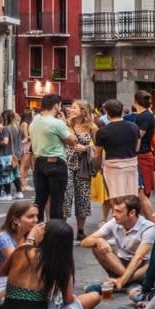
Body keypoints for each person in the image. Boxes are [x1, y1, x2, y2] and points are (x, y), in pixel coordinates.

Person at [0, 219, 102, 309]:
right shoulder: (60, 263)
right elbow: (68, 299)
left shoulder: (23, 251)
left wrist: (30, 239)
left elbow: (2, 272)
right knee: (94, 296)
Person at [82, 195, 155, 288]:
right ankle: (126, 282)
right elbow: (84, 242)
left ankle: (122, 281)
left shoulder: (148, 228)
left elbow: (138, 258)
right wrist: (99, 240)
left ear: (132, 213)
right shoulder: (114, 222)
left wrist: (122, 281)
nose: (113, 214)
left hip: (141, 266)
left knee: (153, 263)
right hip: (120, 264)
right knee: (97, 247)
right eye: (114, 210)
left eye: (118, 211)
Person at [0, 201, 41, 309]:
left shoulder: (26, 238)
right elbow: (20, 262)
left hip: (14, 284)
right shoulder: (3, 238)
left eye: (37, 216)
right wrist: (32, 239)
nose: (35, 220)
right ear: (15, 219)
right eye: (30, 216)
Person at [28, 93, 76, 221]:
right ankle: (54, 232)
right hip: (56, 163)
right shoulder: (57, 123)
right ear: (56, 106)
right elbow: (72, 140)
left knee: (40, 199)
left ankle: (36, 229)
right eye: (60, 105)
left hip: (39, 162)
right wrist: (64, 122)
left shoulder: (33, 123)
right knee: (57, 201)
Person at [93, 99, 140, 202]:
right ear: (122, 111)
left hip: (112, 166)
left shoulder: (102, 132)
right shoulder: (134, 127)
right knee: (131, 197)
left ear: (107, 112)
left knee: (115, 198)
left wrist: (98, 167)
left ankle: (119, 217)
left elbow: (97, 154)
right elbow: (137, 148)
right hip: (131, 164)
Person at [64, 101, 99, 238]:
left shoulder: (92, 127)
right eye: (71, 107)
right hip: (67, 163)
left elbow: (99, 148)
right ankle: (63, 228)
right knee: (66, 196)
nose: (71, 110)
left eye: (74, 108)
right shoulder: (66, 124)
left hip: (83, 165)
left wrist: (86, 148)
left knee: (83, 197)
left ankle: (80, 230)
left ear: (83, 110)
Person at [132, 90, 155, 198]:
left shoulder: (145, 116)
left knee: (143, 189)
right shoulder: (145, 115)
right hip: (142, 153)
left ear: (135, 101)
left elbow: (139, 134)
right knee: (142, 188)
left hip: (142, 153)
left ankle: (144, 213)